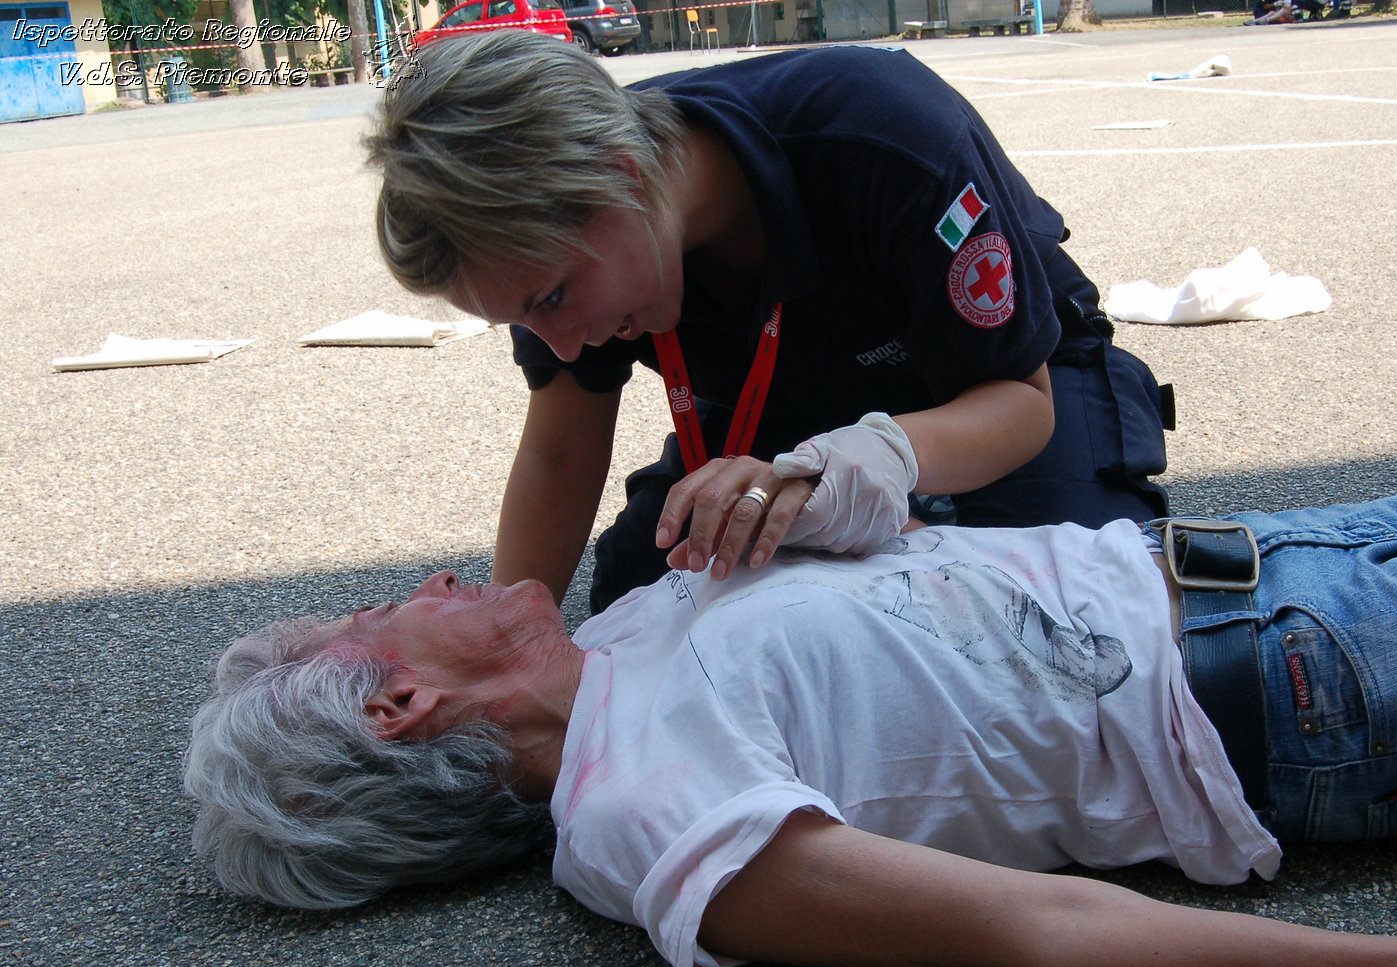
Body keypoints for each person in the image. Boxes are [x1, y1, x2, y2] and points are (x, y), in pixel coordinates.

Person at [185, 490, 1397, 967]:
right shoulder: (641, 818)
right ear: (406, 707)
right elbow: (1044, 931)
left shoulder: (613, 625)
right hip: (1329, 688)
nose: (433, 575)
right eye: (389, 608)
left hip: (1276, 553)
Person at [364, 32, 1174, 613]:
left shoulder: (887, 137)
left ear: (621, 176)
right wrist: (511, 626)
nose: (565, 346)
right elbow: (562, 447)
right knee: (643, 597)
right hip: (785, 411)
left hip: (994, 385)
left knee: (1074, 602)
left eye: (552, 303)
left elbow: (1021, 401)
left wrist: (881, 455)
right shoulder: (545, 253)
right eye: (525, 324)